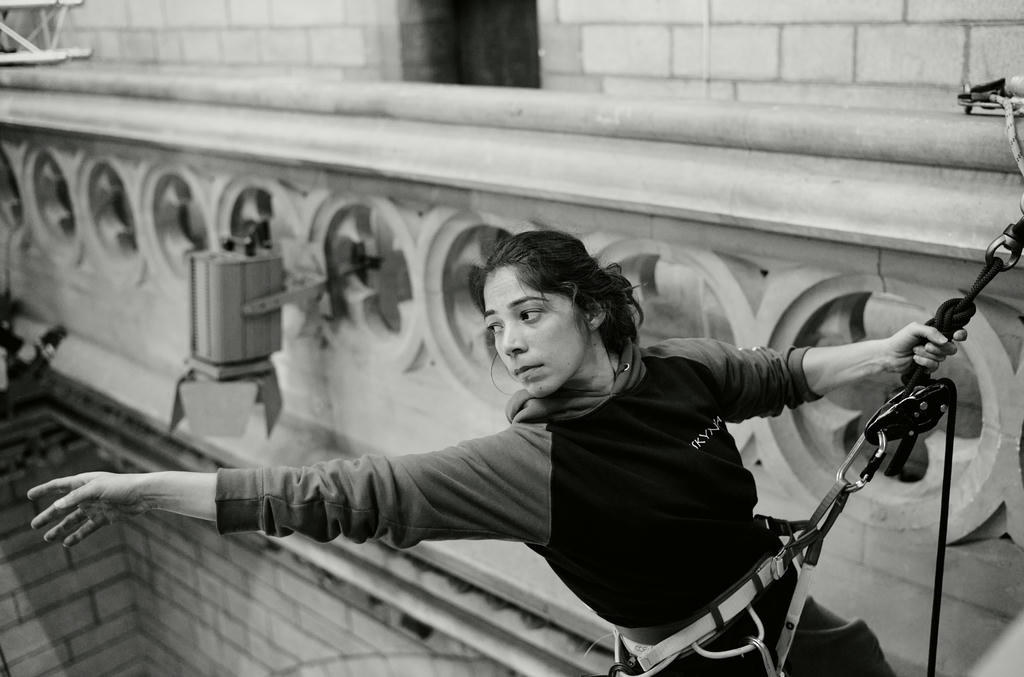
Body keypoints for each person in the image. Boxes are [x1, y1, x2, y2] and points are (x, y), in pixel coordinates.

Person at [28, 229, 964, 676]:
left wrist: (881, 354)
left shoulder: (672, 369)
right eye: (494, 325)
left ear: (591, 310)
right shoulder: (533, 462)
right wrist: (144, 489)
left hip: (792, 621)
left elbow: (777, 372)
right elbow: (336, 492)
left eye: (528, 313)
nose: (508, 340)